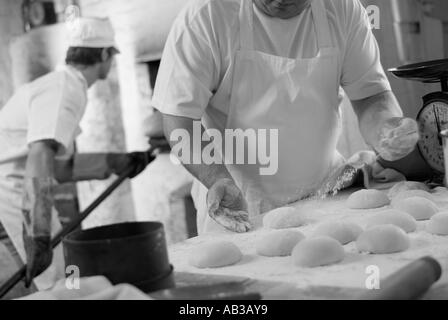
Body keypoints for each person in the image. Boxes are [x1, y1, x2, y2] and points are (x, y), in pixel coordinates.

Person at [152, 0, 420, 234]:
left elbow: (371, 96)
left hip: (327, 198)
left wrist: (386, 129)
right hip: (241, 208)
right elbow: (180, 121)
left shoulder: (343, 9)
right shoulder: (206, 17)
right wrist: (216, 179)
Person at [0, 17, 149, 297]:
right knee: (51, 288)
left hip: (18, 188)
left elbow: (55, 167)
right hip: (10, 196)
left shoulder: (62, 85)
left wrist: (114, 162)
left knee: (61, 281)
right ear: (104, 54)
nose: (111, 63)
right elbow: (41, 157)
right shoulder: (63, 89)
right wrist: (38, 234)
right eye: (111, 57)